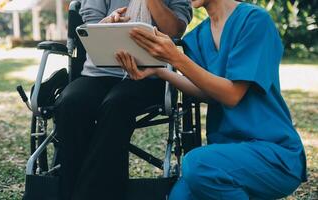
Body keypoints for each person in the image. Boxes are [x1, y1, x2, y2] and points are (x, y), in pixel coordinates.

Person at [116, 0, 307, 199]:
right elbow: (208, 92)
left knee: (197, 164)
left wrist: (175, 58)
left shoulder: (255, 20)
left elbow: (232, 95)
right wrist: (159, 70)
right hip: (225, 154)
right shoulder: (197, 37)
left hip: (274, 153)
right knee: (180, 195)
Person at [54, 0, 192, 200]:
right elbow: (91, 28)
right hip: (99, 71)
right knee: (70, 102)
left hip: (150, 73)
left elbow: (174, 31)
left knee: (117, 104)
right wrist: (107, 24)